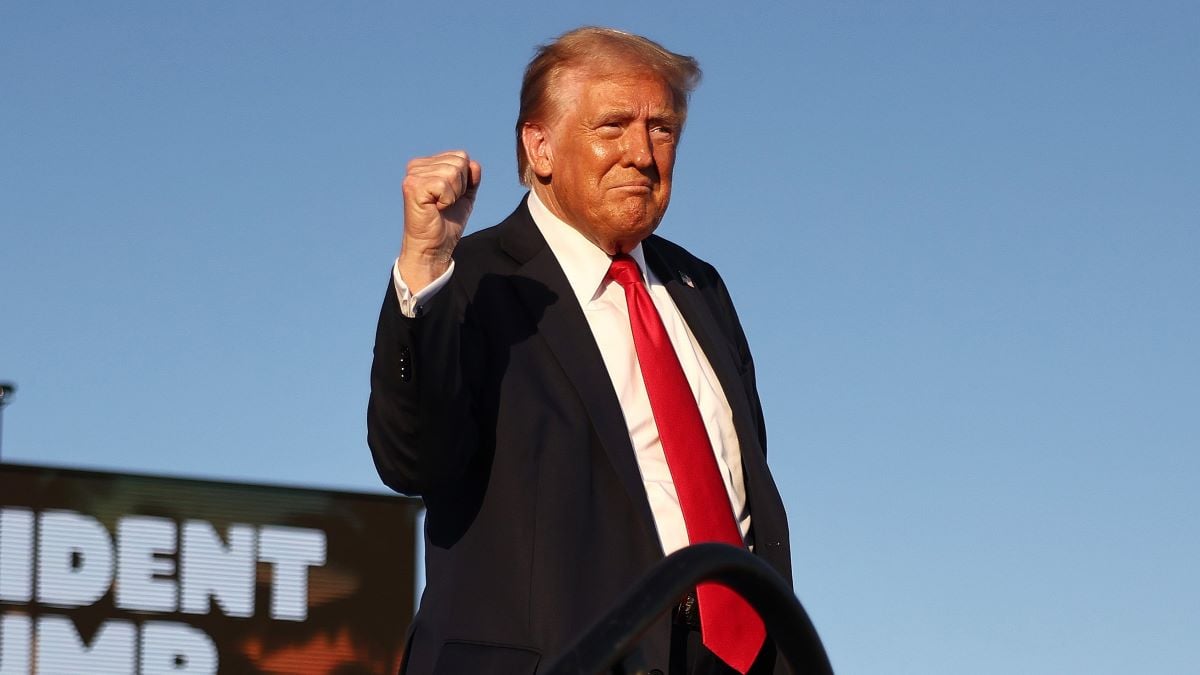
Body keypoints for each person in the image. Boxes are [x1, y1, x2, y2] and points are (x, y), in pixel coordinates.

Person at [368, 27, 792, 675]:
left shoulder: (699, 288)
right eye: (613, 125)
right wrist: (425, 264)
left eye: (662, 129)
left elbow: (746, 503)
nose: (641, 154)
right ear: (539, 146)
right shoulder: (476, 278)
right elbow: (412, 457)